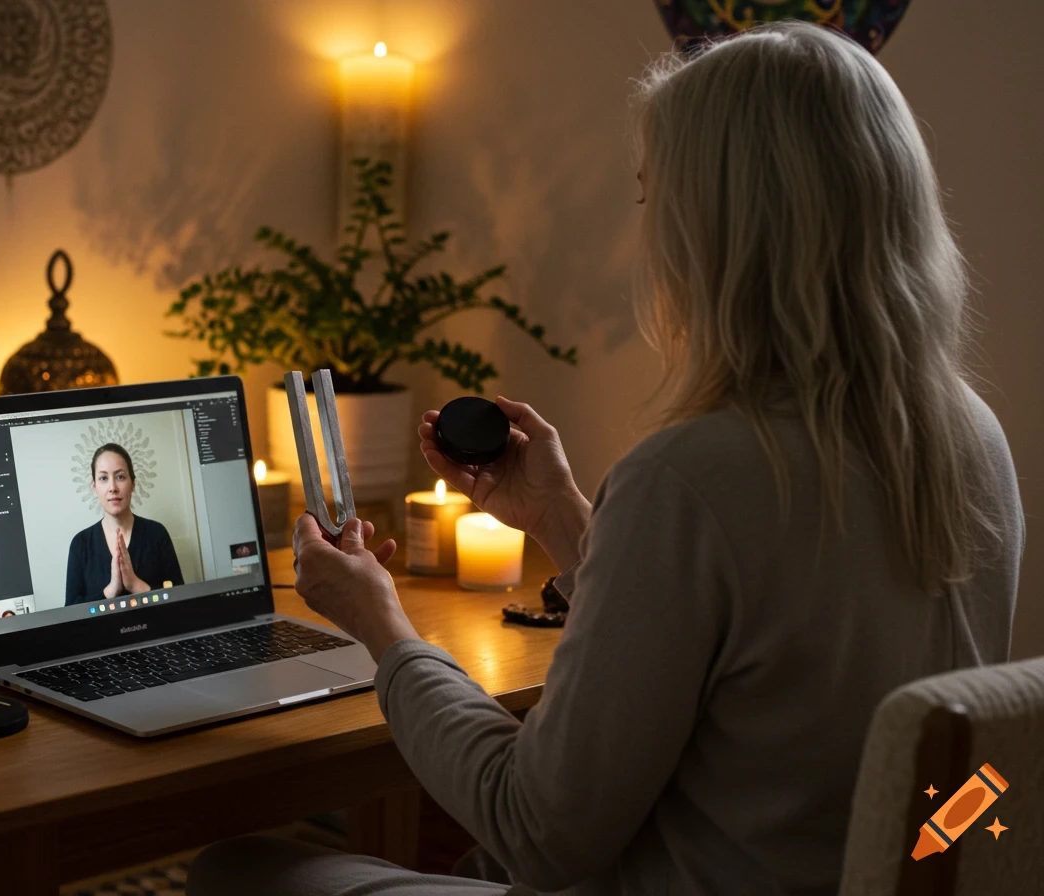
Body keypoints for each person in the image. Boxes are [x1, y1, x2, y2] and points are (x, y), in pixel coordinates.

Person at [186, 21, 1022, 896]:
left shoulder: (693, 476)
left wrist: (381, 625)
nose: (649, 233)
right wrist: (560, 517)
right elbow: (747, 655)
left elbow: (537, 830)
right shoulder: (971, 442)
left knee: (236, 870)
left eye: (652, 199)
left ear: (715, 230)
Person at [65, 443, 184, 605]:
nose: (113, 487)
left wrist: (137, 585)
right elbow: (71, 614)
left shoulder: (157, 533)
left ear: (133, 484)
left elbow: (180, 599)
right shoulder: (80, 543)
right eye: (103, 478)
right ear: (94, 487)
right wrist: (111, 590)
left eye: (120, 477)